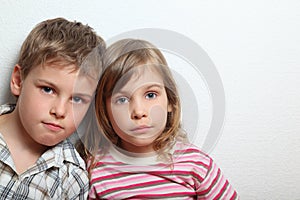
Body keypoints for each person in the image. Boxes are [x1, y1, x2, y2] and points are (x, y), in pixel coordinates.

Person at [86, 38, 238, 199]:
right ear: (104, 111)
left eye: (150, 95)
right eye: (122, 99)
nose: (139, 111)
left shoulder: (196, 164)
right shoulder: (96, 167)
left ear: (170, 101)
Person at [0, 17, 105, 199]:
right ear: (18, 81)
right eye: (48, 90)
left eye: (78, 99)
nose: (60, 111)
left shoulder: (73, 177)